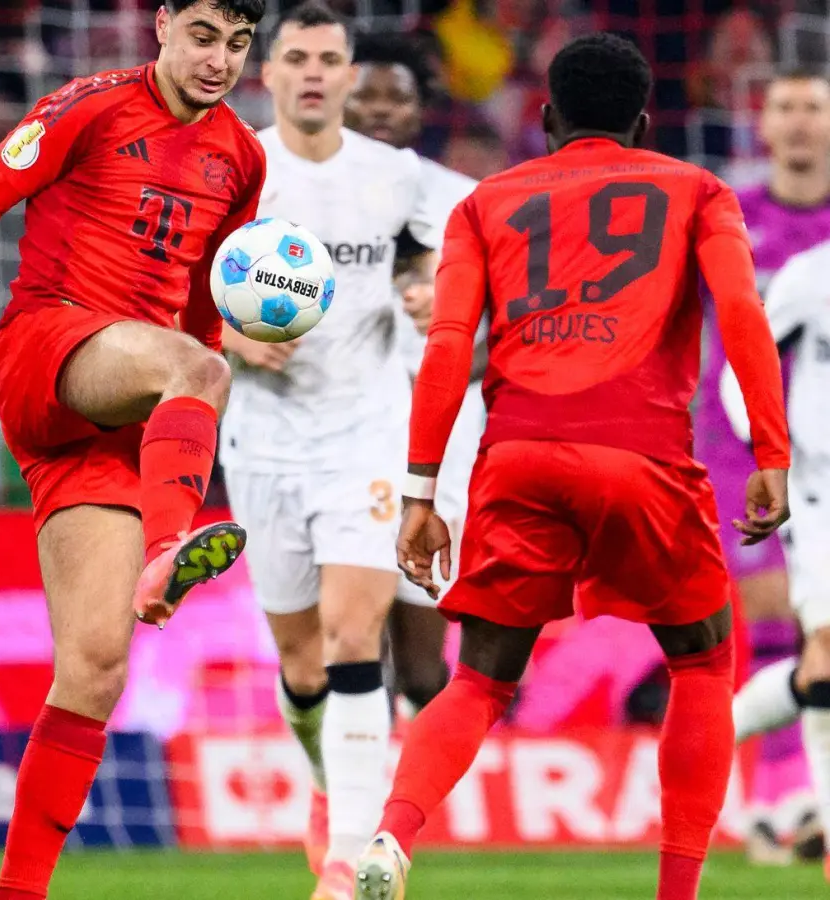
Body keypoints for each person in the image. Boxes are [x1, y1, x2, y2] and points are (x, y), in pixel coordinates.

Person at [353, 33, 792, 900]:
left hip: (517, 454)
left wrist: (419, 492)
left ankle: (391, 836)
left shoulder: (485, 201)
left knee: (478, 676)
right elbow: (743, 312)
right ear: (643, 120)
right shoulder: (698, 190)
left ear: (546, 118)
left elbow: (448, 346)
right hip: (642, 454)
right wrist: (770, 452)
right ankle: (677, 892)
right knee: (702, 662)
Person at [0, 1, 267, 897]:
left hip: (118, 414)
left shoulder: (243, 157)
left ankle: (17, 893)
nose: (219, 62)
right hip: (46, 347)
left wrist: (201, 377)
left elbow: (207, 299)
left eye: (239, 45)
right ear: (164, 24)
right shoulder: (89, 106)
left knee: (94, 669)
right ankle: (176, 544)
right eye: (205, 37)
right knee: (198, 368)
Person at [217, 6, 437, 895]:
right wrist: (230, 339)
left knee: (357, 637)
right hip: (265, 440)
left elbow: (423, 266)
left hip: (367, 436)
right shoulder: (237, 168)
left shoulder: (398, 176)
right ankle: (324, 783)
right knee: (302, 663)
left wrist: (424, 293)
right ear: (266, 74)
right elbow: (175, 291)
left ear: (351, 76)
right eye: (296, 58)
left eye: (330, 59)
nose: (314, 72)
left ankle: (346, 864)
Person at [346, 30, 481, 728]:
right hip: (337, 416)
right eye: (363, 91)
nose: (377, 107)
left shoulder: (465, 201)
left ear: (420, 108)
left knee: (424, 661)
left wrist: (460, 334)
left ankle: (421, 744)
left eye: (394, 95)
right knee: (347, 631)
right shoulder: (293, 190)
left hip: (442, 421)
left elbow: (501, 330)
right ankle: (349, 792)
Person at [717, 68, 830, 864]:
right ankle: (777, 797)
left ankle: (778, 791)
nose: (797, 124)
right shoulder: (731, 217)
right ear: (761, 124)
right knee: (777, 624)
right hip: (751, 456)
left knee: (813, 642)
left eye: (814, 109)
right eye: (783, 108)